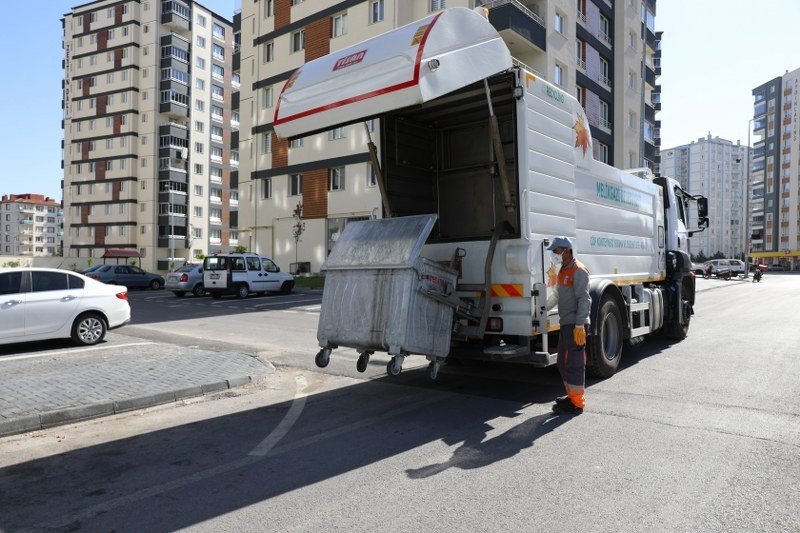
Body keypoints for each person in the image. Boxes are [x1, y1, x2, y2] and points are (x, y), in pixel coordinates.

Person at [546, 236, 591, 415]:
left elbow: (584, 299)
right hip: (566, 324)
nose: (554, 254)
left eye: (556, 251)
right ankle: (571, 396)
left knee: (573, 364)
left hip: (575, 325)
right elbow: (557, 295)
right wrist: (541, 309)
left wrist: (580, 325)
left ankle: (577, 404)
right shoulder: (563, 270)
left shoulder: (578, 270)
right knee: (562, 362)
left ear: (566, 250)